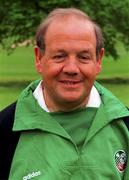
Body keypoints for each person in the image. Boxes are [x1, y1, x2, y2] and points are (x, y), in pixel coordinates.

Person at [0, 7, 129, 180]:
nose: (71, 69)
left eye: (83, 57)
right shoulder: (6, 130)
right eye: (59, 56)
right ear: (39, 58)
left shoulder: (125, 127)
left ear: (98, 60)